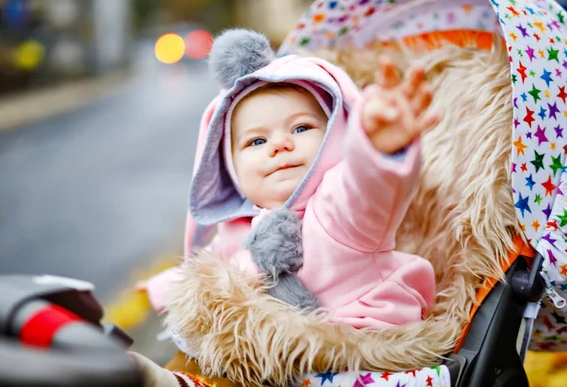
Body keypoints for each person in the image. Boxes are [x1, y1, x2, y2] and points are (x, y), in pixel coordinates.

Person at [140, 28, 439, 334]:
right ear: (230, 167)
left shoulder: (337, 207)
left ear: (336, 135)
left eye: (300, 128)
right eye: (256, 141)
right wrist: (157, 290)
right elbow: (208, 275)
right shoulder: (238, 229)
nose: (280, 145)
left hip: (362, 348)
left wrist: (376, 148)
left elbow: (368, 187)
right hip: (281, 358)